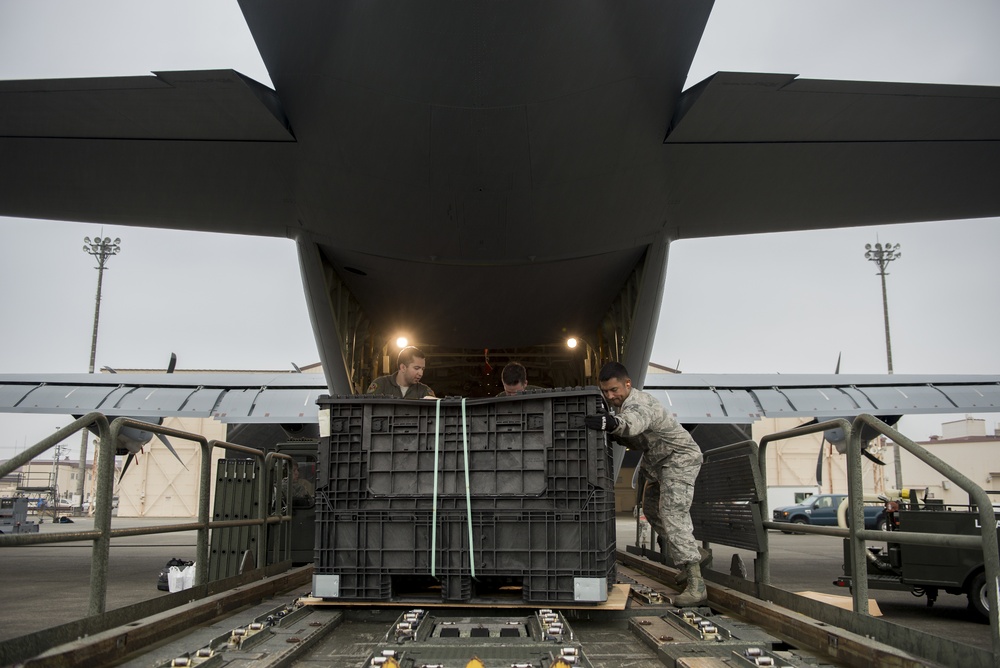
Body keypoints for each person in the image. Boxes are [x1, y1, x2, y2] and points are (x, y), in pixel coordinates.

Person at [584, 361, 706, 606]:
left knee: (672, 513)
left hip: (679, 459)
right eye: (605, 391)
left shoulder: (639, 403)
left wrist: (611, 424)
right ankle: (692, 552)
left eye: (614, 390)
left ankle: (696, 584)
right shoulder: (623, 406)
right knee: (650, 509)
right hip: (659, 463)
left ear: (627, 384)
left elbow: (634, 422)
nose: (610, 396)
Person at [366, 346, 436, 399]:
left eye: (422, 369)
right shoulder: (381, 385)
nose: (421, 373)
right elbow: (367, 412)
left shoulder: (424, 391)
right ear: (403, 367)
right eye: (416, 368)